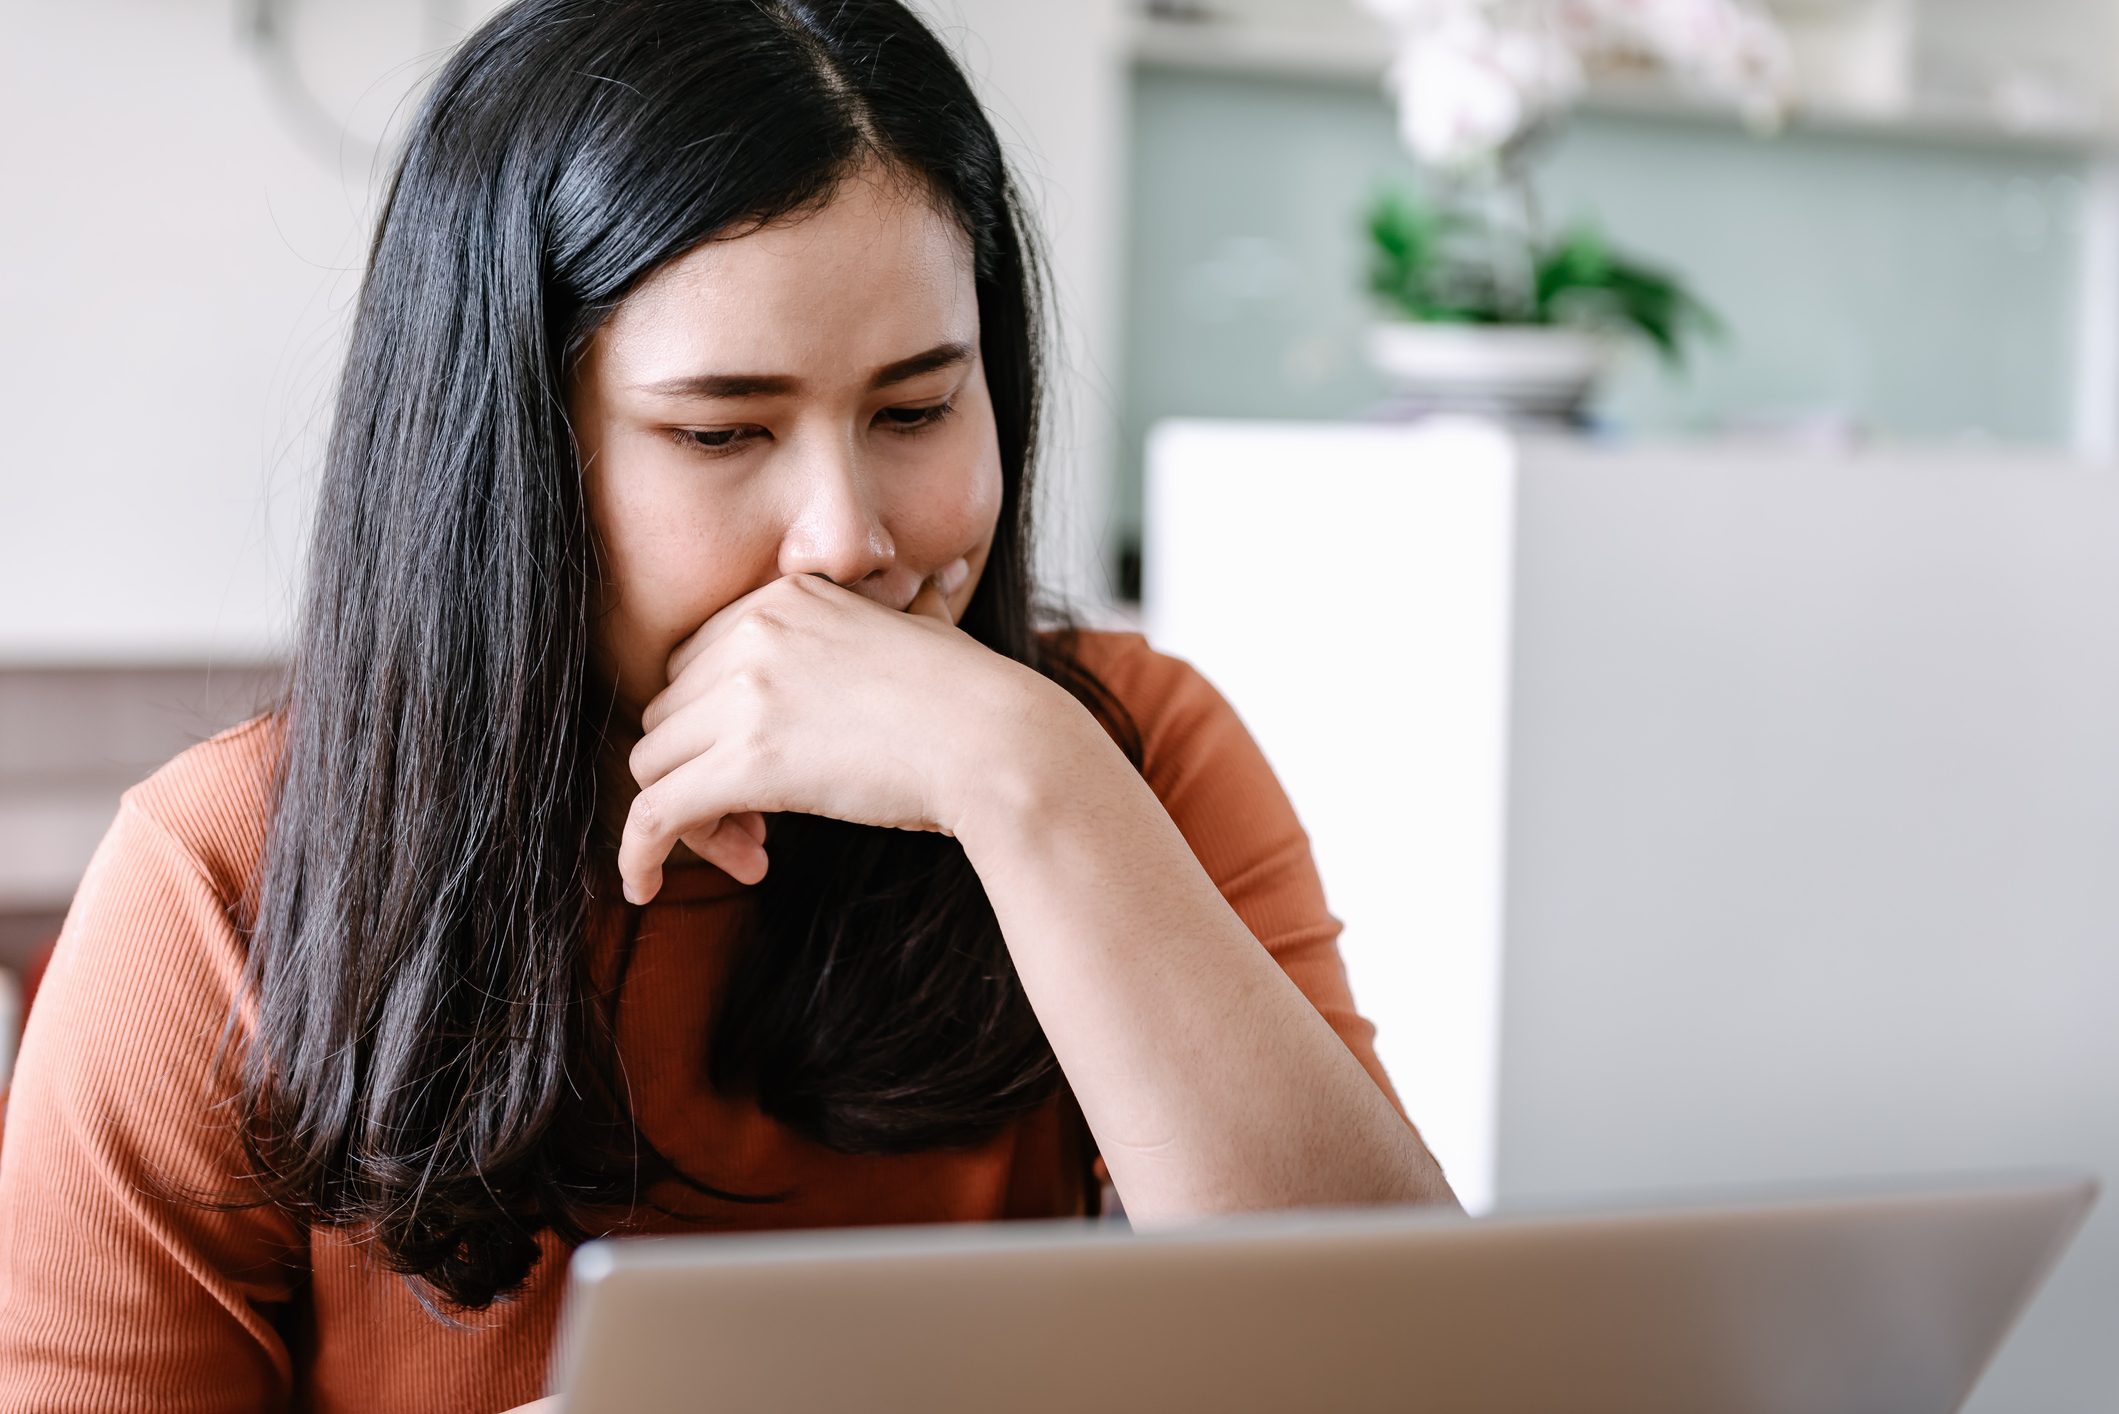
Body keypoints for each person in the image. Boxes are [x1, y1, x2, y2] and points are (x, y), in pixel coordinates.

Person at [0, 0, 1457, 1407]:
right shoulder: (221, 884)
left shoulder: (1120, 754)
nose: (844, 537)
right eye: (721, 431)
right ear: (518, 459)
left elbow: (1415, 1368)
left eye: (917, 410)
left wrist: (1023, 781)